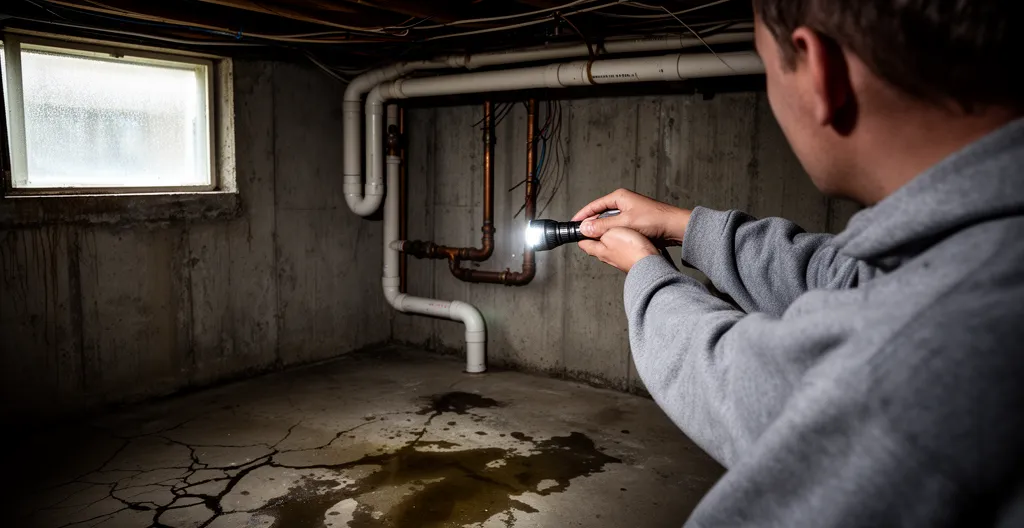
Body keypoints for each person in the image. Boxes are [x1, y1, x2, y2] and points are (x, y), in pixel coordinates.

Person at [573, 1, 1024, 526]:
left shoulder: (915, 350)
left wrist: (647, 272)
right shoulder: (982, 242)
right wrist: (685, 226)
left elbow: (750, 387)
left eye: (766, 65)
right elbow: (846, 275)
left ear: (819, 69)